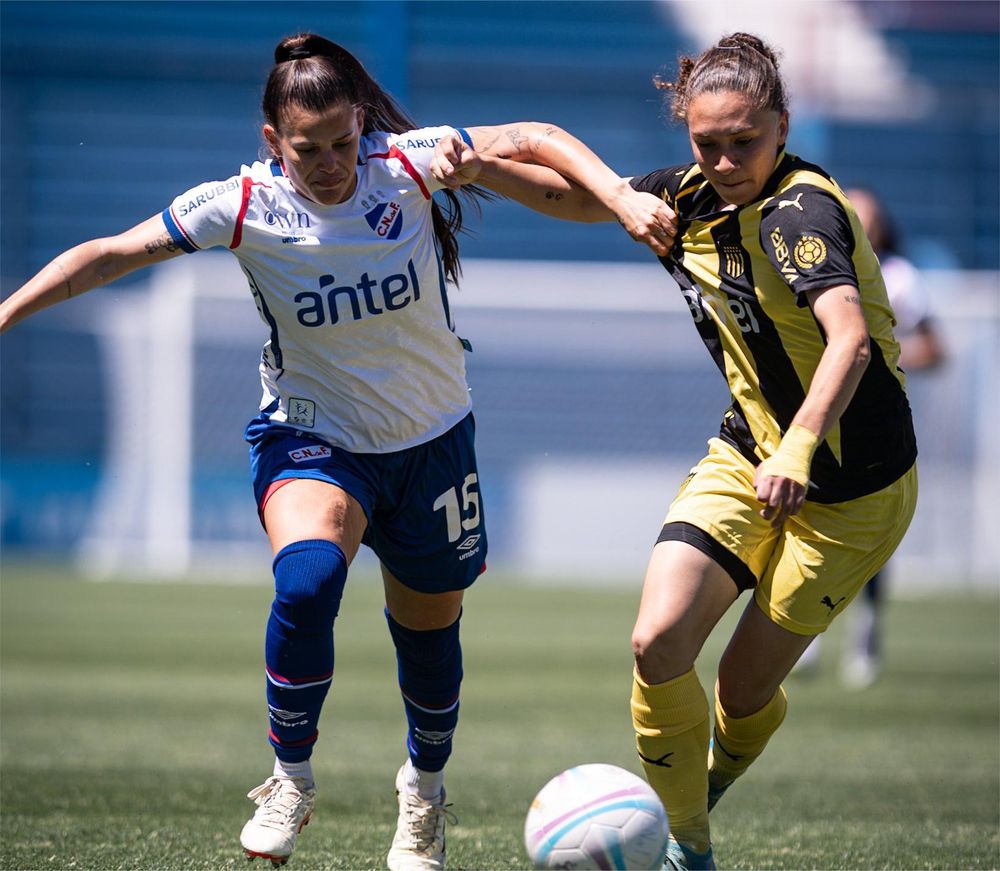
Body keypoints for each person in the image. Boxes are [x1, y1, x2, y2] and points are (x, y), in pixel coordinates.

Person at [0, 33, 673, 871]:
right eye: (306, 149)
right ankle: (291, 779)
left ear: (362, 122)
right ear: (272, 140)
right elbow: (108, 255)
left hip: (431, 442)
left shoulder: (412, 161)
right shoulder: (240, 204)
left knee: (427, 640)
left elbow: (535, 135)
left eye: (342, 143)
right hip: (312, 436)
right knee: (308, 578)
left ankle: (422, 795)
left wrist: (620, 196)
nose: (327, 164)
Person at [430, 32, 918, 870]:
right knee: (656, 641)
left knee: (739, 690)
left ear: (782, 126)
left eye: (746, 141)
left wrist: (800, 450)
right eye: (707, 142)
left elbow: (850, 341)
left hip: (854, 489)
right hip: (749, 450)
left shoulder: (802, 213)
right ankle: (689, 845)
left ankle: (706, 786)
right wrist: (481, 170)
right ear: (688, 132)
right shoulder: (687, 197)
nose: (726, 160)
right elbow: (570, 192)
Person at [796, 186, 944, 689]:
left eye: (868, 215)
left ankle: (866, 632)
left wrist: (876, 355)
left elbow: (935, 349)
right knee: (803, 523)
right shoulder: (803, 258)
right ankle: (804, 638)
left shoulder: (898, 278)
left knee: (869, 538)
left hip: (876, 426)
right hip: (813, 417)